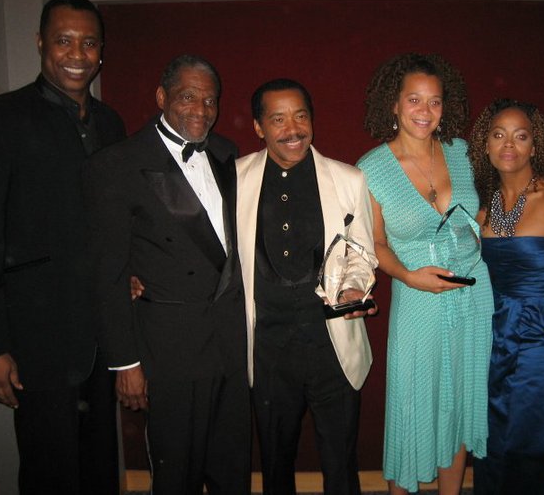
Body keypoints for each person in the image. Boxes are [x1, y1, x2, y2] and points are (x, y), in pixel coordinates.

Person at [83, 54, 250, 494]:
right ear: (161, 97)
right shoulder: (117, 163)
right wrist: (125, 362)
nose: (201, 109)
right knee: (177, 473)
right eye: (188, 96)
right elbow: (108, 271)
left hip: (230, 343)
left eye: (210, 100)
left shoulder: (225, 152)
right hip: (170, 347)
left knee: (231, 467)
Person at [0, 0, 125, 494]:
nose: (77, 54)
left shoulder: (110, 125)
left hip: (101, 338)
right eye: (64, 40)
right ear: (41, 42)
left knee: (100, 467)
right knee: (49, 473)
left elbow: (115, 221)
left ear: (101, 50)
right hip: (35, 339)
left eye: (88, 43)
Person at [357, 53, 494, 494]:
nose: (425, 111)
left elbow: (487, 211)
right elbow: (377, 243)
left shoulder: (462, 152)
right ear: (393, 105)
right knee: (413, 408)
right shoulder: (372, 168)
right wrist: (409, 276)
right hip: (418, 302)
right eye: (414, 100)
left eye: (435, 102)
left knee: (460, 399)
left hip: (474, 295)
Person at [236, 78, 378, 495]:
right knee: (275, 462)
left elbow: (362, 255)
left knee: (340, 461)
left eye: (300, 116)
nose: (292, 128)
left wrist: (353, 288)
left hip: (331, 344)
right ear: (259, 127)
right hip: (266, 349)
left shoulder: (348, 180)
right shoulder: (235, 178)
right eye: (277, 119)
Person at [467, 98, 544, 494]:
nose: (508, 144)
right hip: (494, 338)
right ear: (485, 145)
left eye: (520, 135)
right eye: (498, 135)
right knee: (497, 439)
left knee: (543, 439)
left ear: (535, 145)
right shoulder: (482, 212)